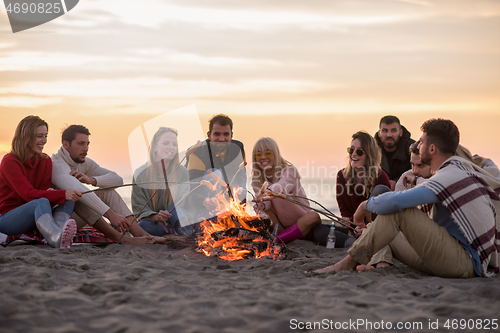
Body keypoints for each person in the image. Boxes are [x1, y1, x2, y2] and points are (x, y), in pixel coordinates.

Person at [315, 118, 500, 278]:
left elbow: (396, 201)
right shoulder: (455, 169)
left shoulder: (450, 175)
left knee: (399, 212)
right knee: (379, 226)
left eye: (421, 142)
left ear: (432, 148)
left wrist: (365, 206)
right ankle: (379, 264)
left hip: (465, 262)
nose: (417, 146)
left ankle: (347, 263)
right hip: (449, 253)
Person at [51, 125, 155, 245]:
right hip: (59, 221)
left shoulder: (82, 162)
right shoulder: (57, 165)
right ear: (66, 144)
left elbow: (117, 180)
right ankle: (122, 238)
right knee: (80, 199)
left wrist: (92, 180)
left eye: (87, 144)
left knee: (107, 192)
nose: (85, 148)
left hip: (75, 220)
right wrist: (111, 215)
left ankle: (143, 235)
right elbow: (81, 191)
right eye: (80, 143)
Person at [0, 115, 81, 248]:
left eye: (45, 136)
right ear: (26, 137)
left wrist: (60, 194)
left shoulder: (45, 160)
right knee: (44, 200)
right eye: (39, 136)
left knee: (69, 198)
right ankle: (55, 237)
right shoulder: (10, 161)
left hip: (36, 216)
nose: (44, 141)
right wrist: (59, 194)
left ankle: (59, 233)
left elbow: (44, 191)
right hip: (8, 218)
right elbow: (27, 194)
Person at [252, 137, 321, 243]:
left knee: (313, 216)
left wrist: (265, 193)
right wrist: (262, 204)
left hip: (302, 222)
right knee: (263, 211)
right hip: (280, 226)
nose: (263, 157)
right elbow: (266, 202)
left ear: (276, 154)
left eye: (268, 153)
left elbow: (282, 186)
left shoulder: (289, 170)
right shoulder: (257, 180)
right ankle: (283, 237)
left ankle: (279, 240)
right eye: (258, 154)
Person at [132, 127, 193, 236]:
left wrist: (169, 216)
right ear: (155, 147)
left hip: (177, 219)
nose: (171, 147)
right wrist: (157, 217)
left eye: (174, 144)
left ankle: (187, 235)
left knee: (173, 208)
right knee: (143, 226)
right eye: (166, 143)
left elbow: (183, 203)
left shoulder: (182, 172)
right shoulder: (140, 173)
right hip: (153, 222)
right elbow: (139, 207)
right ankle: (173, 234)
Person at [186, 114, 246, 221]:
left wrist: (241, 210)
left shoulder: (237, 149)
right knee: (214, 173)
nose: (221, 139)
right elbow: (190, 190)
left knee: (234, 178)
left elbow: (241, 181)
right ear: (209, 135)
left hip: (228, 201)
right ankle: (210, 219)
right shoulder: (197, 152)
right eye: (217, 134)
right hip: (200, 205)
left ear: (231, 135)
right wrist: (204, 201)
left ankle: (233, 218)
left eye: (226, 134)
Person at [374, 116, 415, 190]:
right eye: (385, 131)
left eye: (393, 130)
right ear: (379, 133)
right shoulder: (372, 149)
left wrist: (397, 182)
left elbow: (421, 172)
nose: (389, 135)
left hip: (406, 191)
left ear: (401, 132)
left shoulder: (413, 148)